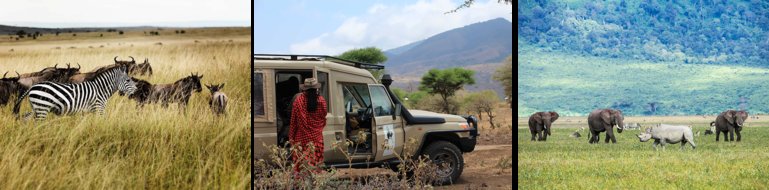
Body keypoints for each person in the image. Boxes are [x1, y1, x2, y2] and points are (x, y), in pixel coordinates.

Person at [289, 78, 327, 178]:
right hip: (317, 140)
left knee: (301, 170)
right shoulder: (322, 101)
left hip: (301, 140)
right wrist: (317, 130)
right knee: (316, 168)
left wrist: (291, 139)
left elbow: (293, 122)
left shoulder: (298, 101)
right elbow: (323, 119)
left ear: (304, 89)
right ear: (316, 89)